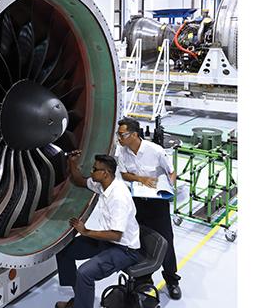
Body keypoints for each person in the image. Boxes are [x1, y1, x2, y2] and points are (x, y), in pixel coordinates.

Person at [55, 152, 140, 308]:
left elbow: (116, 234)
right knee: (64, 250)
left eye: (94, 169)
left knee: (85, 273)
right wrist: (72, 162)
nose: (91, 172)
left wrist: (86, 232)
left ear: (105, 173)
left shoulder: (118, 197)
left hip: (124, 249)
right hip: (107, 242)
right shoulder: (103, 185)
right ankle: (80, 298)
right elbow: (79, 180)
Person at [115, 117, 182, 299]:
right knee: (140, 240)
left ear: (134, 135)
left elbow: (171, 171)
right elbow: (124, 174)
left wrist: (169, 187)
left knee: (166, 241)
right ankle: (144, 279)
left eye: (122, 134)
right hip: (137, 203)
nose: (119, 138)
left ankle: (171, 279)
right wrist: (141, 179)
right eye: (118, 134)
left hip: (157, 203)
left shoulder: (155, 151)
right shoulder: (122, 152)